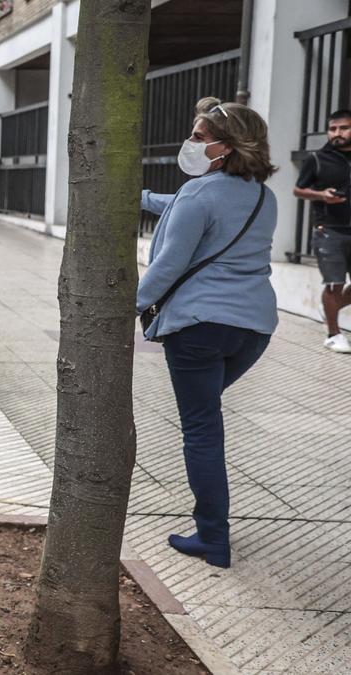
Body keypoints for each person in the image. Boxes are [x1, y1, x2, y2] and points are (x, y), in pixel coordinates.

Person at [137, 97, 278, 569]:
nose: (190, 144)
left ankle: (213, 538)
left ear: (227, 147)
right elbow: (180, 205)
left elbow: (168, 265)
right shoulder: (263, 195)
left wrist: (125, 307)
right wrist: (139, 198)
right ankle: (211, 527)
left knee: (201, 431)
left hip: (199, 328)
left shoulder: (200, 195)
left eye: (199, 137)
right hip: (253, 330)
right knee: (206, 416)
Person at [294, 109, 351, 352]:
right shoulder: (317, 159)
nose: (337, 134)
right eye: (333, 129)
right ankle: (333, 333)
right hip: (329, 230)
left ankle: (331, 307)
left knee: (335, 293)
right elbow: (298, 190)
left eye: (343, 128)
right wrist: (321, 195)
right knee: (334, 284)